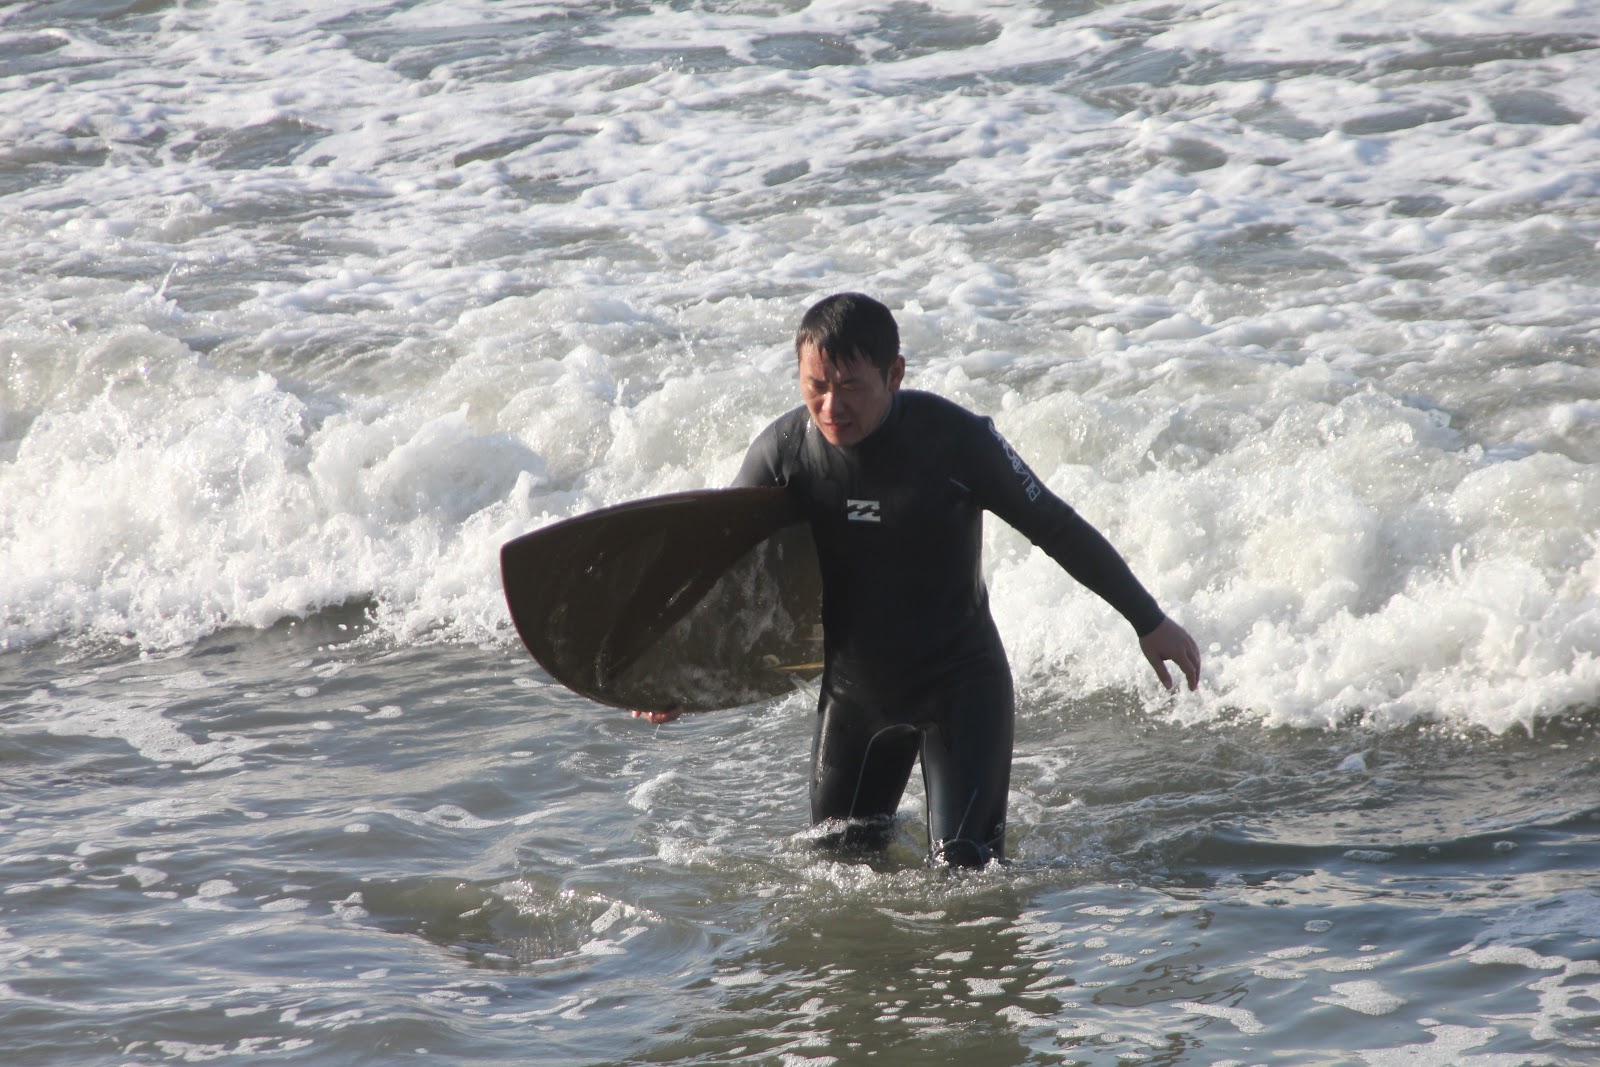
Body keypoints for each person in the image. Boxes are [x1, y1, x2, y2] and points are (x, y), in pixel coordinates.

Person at [636, 293, 1201, 868]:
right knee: (835, 873)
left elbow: (1056, 527)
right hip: (854, 695)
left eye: (850, 386)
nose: (831, 406)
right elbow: (725, 565)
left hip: (961, 686)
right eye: (815, 386)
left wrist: (1148, 620)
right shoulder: (785, 451)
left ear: (894, 375)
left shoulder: (957, 442)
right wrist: (679, 670)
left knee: (968, 873)